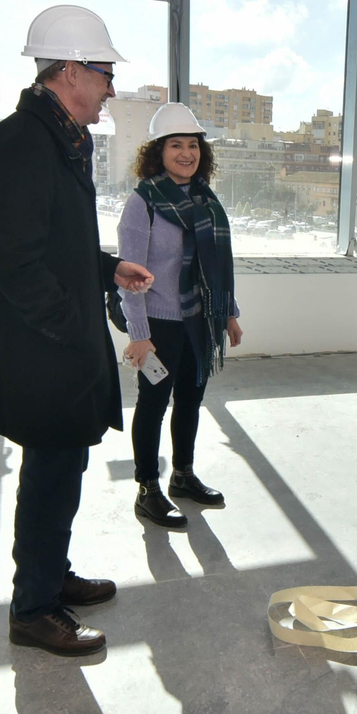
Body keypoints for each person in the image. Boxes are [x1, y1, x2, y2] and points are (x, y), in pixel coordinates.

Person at [0, 5, 156, 657]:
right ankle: (34, 610)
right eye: (105, 73)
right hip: (46, 352)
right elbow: (17, 263)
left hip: (57, 347)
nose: (111, 87)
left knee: (61, 472)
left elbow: (52, 246)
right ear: (71, 70)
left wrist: (108, 267)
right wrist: (71, 333)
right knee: (51, 476)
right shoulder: (23, 143)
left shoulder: (56, 140)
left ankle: (50, 575)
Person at [117, 103, 243, 528]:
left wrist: (228, 314)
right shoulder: (143, 203)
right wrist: (138, 333)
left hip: (199, 323)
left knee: (190, 401)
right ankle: (147, 488)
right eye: (176, 145)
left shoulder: (206, 200)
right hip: (158, 326)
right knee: (152, 405)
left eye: (193, 145)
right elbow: (129, 278)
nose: (186, 153)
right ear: (159, 151)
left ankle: (183, 477)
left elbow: (218, 265)